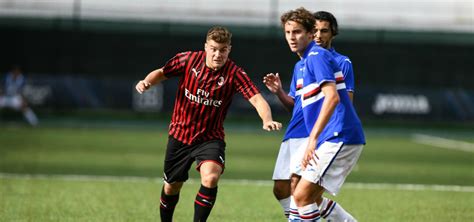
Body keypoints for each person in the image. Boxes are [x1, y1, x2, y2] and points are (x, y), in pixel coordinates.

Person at [135, 26, 282, 222]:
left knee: (211, 177)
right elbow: (162, 73)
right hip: (180, 135)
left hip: (210, 138)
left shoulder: (234, 73)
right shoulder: (188, 60)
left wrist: (267, 119)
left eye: (222, 50)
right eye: (213, 48)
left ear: (229, 49)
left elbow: (256, 98)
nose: (217, 54)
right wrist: (146, 82)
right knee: (171, 186)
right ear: (206, 47)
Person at [264, 10, 358, 221]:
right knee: (287, 190)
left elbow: (337, 101)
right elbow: (299, 104)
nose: (291, 37)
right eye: (288, 32)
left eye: (297, 31)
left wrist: (316, 138)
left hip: (324, 133)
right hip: (298, 130)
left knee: (302, 193)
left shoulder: (325, 58)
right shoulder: (302, 64)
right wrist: (279, 92)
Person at [313, 11, 355, 102]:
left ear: (333, 34)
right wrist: (279, 92)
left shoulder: (342, 62)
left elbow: (346, 105)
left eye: (324, 31)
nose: (318, 35)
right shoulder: (302, 62)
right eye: (314, 30)